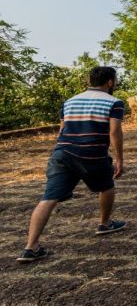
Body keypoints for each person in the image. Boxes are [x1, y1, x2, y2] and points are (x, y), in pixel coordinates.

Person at [17, 66, 127, 262]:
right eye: (115, 80)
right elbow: (114, 132)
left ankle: (30, 247)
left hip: (62, 153)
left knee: (48, 198)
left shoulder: (69, 101)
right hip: (92, 154)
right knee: (107, 185)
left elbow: (62, 130)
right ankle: (105, 224)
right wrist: (119, 158)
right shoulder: (114, 102)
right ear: (110, 82)